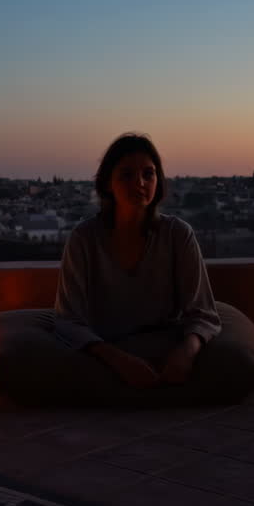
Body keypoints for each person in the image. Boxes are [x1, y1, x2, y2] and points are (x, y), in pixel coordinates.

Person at [54, 133, 222, 389]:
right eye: (126, 175)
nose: (140, 183)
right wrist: (116, 359)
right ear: (108, 183)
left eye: (148, 174)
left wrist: (187, 352)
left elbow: (203, 313)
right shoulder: (84, 240)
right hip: (104, 346)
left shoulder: (177, 235)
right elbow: (68, 320)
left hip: (162, 339)